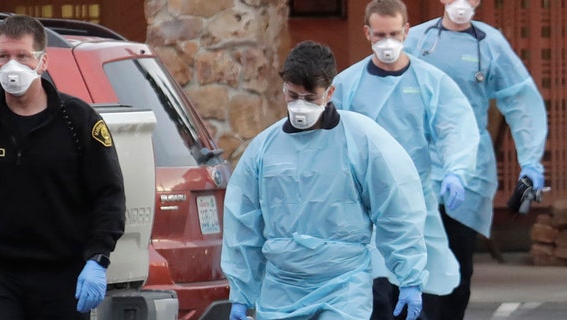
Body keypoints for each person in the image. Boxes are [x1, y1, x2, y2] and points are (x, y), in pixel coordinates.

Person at [221, 40, 429, 320]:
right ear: (283, 88)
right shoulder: (263, 149)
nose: (300, 106)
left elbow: (397, 208)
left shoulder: (362, 139)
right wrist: (241, 293)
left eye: (310, 98)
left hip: (343, 286)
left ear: (330, 92)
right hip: (281, 289)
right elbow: (243, 223)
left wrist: (410, 276)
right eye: (293, 95)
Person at [0, 14, 126, 320]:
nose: (12, 65)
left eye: (22, 55)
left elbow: (109, 195)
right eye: (4, 56)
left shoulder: (78, 121)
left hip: (64, 274)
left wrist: (98, 257)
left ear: (43, 61)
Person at [331, 1, 480, 319]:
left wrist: (455, 170)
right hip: (364, 207)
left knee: (427, 295)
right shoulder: (347, 84)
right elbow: (329, 140)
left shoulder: (431, 82)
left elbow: (456, 127)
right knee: (376, 295)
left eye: (394, 33)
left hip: (416, 204)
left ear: (407, 31)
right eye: (380, 34)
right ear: (367, 33)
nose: (388, 42)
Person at [403, 1, 548, 319]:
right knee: (417, 259)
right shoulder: (415, 40)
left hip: (469, 169)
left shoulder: (490, 43)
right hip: (418, 164)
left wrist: (530, 160)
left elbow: (520, 97)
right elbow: (382, 90)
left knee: (458, 263)